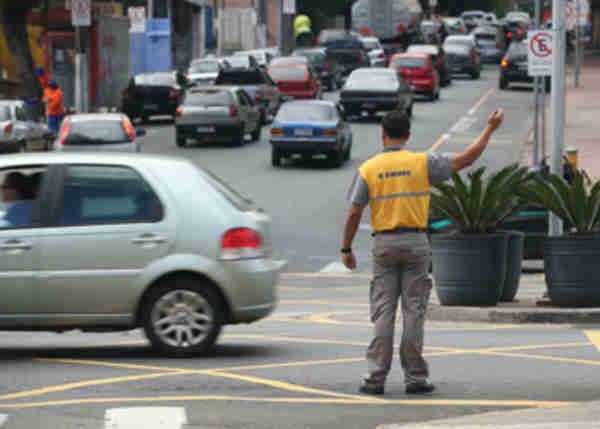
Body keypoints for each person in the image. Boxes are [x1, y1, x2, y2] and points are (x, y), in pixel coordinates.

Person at [341, 109, 505, 395]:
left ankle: (376, 377)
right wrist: (490, 129)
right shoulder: (422, 163)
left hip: (384, 245)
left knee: (383, 312)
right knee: (414, 311)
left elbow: (354, 211)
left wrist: (346, 248)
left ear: (383, 134)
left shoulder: (369, 168)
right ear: (408, 135)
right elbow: (466, 158)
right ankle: (415, 378)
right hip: (417, 243)